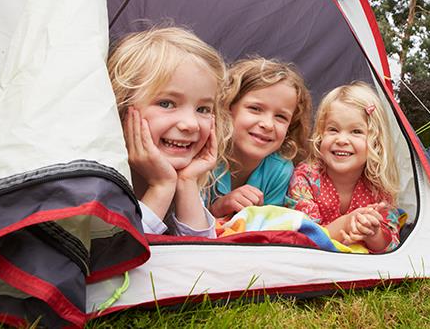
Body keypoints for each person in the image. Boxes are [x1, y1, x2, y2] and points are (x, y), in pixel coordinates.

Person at [107, 25, 230, 237]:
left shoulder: (185, 179)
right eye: (167, 103)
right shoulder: (99, 187)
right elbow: (116, 256)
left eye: (202, 109)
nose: (190, 124)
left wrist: (188, 183)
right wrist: (161, 187)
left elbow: (201, 261)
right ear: (121, 108)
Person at [286, 81, 401, 252]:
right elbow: (305, 238)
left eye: (356, 132)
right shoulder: (305, 177)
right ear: (320, 134)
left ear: (375, 142)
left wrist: (373, 232)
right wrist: (347, 223)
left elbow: (391, 245)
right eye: (333, 130)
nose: (341, 140)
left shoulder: (379, 185)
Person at [209, 57, 312, 218]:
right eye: (255, 109)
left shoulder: (279, 170)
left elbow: (267, 229)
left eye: (281, 117)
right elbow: (182, 225)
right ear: (228, 108)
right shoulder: (205, 155)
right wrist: (217, 209)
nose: (268, 124)